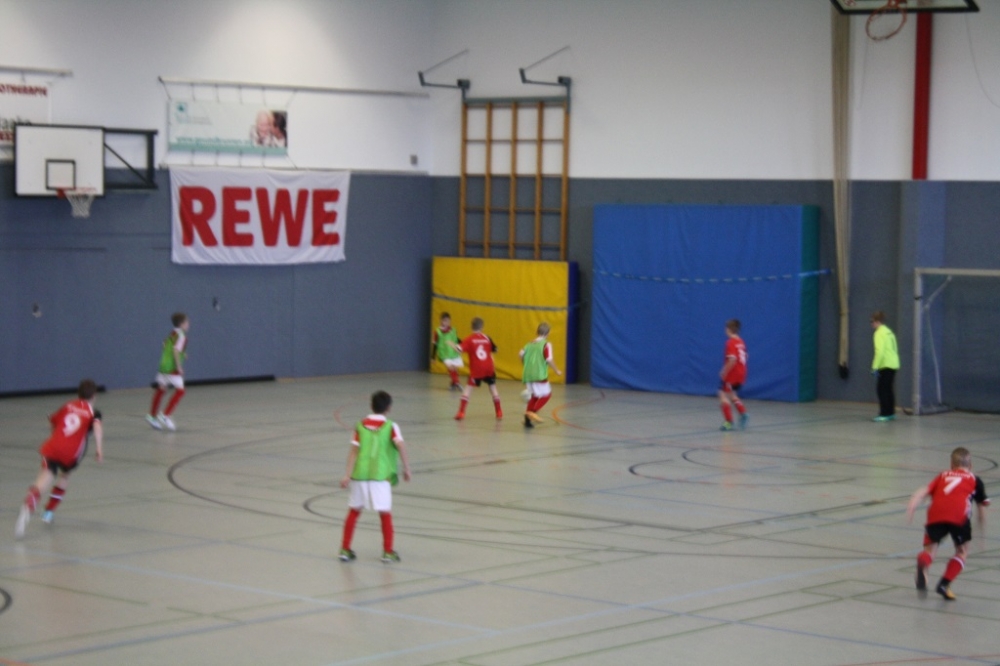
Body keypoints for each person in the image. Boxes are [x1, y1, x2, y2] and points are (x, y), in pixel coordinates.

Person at [15, 379, 104, 538]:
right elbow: (97, 427)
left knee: (44, 479)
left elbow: (53, 420)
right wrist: (99, 449)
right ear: (94, 396)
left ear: (78, 393)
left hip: (52, 446)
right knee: (64, 476)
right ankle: (49, 511)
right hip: (71, 453)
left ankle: (30, 502)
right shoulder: (93, 413)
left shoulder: (68, 405)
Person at [906, 447, 989, 600]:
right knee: (962, 552)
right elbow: (981, 508)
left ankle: (923, 562)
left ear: (951, 465)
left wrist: (913, 504)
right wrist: (981, 529)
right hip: (959, 516)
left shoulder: (943, 475)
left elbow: (923, 491)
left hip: (936, 513)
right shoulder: (975, 480)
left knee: (930, 549)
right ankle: (944, 584)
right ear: (970, 466)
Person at [338, 390, 411, 563]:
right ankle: (387, 551)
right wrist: (407, 468)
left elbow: (353, 451)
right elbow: (400, 445)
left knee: (354, 511)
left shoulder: (360, 426)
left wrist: (347, 474)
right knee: (384, 513)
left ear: (371, 406)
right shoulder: (391, 426)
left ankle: (345, 549)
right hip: (380, 476)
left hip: (360, 474)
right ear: (389, 408)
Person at [146, 312, 189, 432]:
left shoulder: (172, 333)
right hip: (172, 368)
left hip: (163, 366)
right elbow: (175, 350)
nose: (188, 324)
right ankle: (166, 415)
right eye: (186, 322)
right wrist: (179, 366)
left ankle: (152, 416)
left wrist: (183, 353)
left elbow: (165, 344)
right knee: (180, 391)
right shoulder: (181, 336)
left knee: (161, 389)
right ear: (182, 324)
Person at [454, 317, 502, 421]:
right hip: (489, 367)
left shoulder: (469, 339)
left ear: (471, 327)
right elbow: (495, 349)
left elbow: (459, 349)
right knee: (493, 388)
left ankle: (461, 412)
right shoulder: (487, 338)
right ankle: (499, 412)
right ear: (482, 327)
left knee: (468, 389)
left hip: (477, 369)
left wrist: (454, 346)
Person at [519, 322, 562, 428]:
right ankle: (532, 412)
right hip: (539, 374)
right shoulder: (546, 344)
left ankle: (527, 421)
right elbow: (549, 359)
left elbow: (520, 354)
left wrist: (525, 364)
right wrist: (556, 370)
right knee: (547, 395)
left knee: (534, 396)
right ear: (548, 333)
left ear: (537, 332)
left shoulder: (529, 344)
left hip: (527, 373)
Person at [718, 319, 748, 431]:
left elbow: (732, 359)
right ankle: (743, 413)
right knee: (732, 394)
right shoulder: (741, 341)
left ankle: (729, 422)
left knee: (722, 394)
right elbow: (746, 356)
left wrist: (724, 371)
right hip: (742, 372)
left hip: (732, 373)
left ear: (729, 329)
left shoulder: (731, 342)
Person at [870, 310, 900, 422]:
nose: (871, 324)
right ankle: (891, 412)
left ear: (877, 321)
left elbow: (879, 352)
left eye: (872, 321)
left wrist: (874, 367)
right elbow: (894, 348)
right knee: (888, 389)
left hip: (885, 364)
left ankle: (884, 413)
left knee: (881, 389)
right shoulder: (889, 332)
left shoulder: (879, 333)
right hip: (893, 364)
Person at [431, 312, 463, 390]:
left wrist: (462, 345)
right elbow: (435, 344)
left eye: (448, 321)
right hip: (444, 354)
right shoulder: (437, 331)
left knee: (454, 368)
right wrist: (433, 357)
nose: (447, 323)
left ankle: (453, 384)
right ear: (441, 321)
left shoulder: (453, 330)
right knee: (450, 367)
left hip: (453, 353)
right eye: (445, 321)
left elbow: (456, 339)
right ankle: (457, 382)